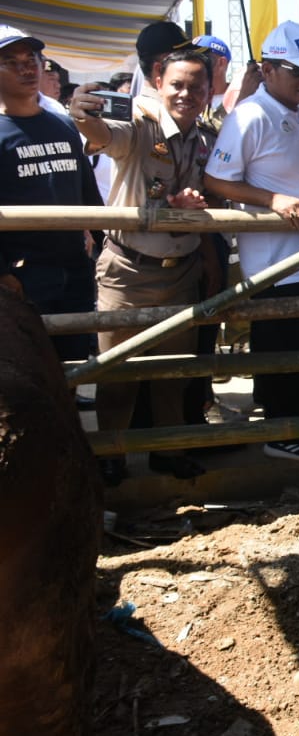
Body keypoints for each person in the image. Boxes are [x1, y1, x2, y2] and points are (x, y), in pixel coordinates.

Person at [205, 21, 299, 463]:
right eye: (297, 72)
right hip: (276, 259)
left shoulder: (295, 112)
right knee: (282, 344)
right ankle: (280, 428)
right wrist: (270, 199)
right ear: (268, 70)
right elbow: (216, 178)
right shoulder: (250, 115)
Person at [70, 48, 222, 484]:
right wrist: (82, 116)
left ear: (210, 91)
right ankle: (112, 455)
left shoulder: (204, 138)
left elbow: (206, 195)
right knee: (117, 374)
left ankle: (167, 453)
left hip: (181, 270)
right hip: (128, 272)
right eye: (177, 84)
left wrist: (190, 206)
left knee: (172, 374)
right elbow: (103, 134)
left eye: (196, 86)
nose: (185, 94)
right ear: (159, 82)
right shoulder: (141, 123)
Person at [0, 25, 99, 365]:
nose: (27, 68)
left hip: (74, 270)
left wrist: (100, 245)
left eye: (32, 59)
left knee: (72, 368)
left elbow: (88, 194)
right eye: (11, 62)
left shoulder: (64, 126)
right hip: (22, 275)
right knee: (26, 372)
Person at [193, 34, 233, 127]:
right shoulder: (186, 98)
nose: (194, 66)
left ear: (221, 63)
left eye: (202, 59)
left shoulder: (240, 99)